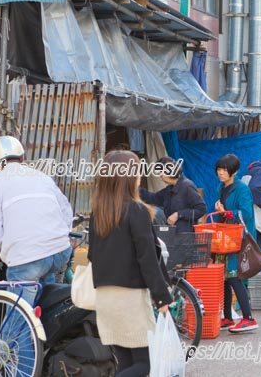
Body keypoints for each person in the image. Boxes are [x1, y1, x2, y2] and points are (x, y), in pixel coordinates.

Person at [87, 150, 172, 377]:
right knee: (145, 365)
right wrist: (162, 297)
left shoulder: (98, 212)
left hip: (105, 297)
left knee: (125, 363)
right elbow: (148, 259)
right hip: (130, 298)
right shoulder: (137, 211)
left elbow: (92, 254)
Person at [0, 136, 73, 305]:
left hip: (28, 259)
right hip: (60, 252)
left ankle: (18, 330)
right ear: (22, 158)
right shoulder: (42, 177)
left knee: (18, 320)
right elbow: (66, 212)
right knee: (44, 306)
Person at [213, 154, 259, 333]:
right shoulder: (221, 188)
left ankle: (248, 318)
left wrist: (227, 212)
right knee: (224, 278)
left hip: (237, 239)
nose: (221, 173)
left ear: (234, 171)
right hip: (225, 238)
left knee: (234, 276)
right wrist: (221, 211)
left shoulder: (241, 189)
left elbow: (246, 214)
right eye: (219, 169)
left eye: (224, 170)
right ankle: (227, 317)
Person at [139, 156, 205, 234]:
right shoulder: (169, 189)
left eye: (161, 173)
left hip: (185, 236)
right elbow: (153, 198)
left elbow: (201, 209)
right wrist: (135, 188)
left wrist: (178, 214)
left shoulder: (187, 186)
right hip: (172, 234)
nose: (160, 176)